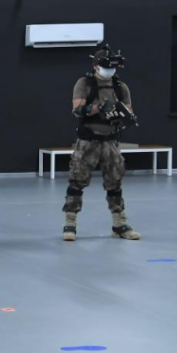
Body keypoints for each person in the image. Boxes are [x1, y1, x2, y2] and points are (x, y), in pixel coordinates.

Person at [62, 45, 141, 241]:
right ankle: (70, 223)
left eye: (112, 67)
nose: (109, 70)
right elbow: (77, 110)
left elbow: (129, 111)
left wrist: (122, 115)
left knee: (115, 181)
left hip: (110, 140)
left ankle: (119, 224)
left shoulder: (120, 87)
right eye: (106, 67)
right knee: (77, 180)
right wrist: (99, 108)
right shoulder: (84, 83)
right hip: (88, 140)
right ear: (96, 66)